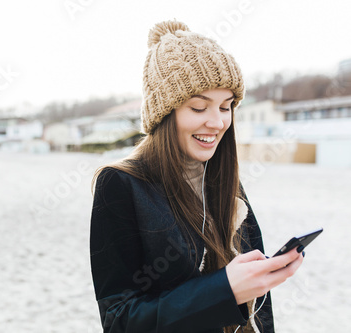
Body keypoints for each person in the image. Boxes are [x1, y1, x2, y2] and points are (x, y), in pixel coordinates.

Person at [89, 20, 304, 333]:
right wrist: (224, 290)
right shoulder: (121, 184)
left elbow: (260, 310)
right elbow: (119, 319)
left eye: (226, 107)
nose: (217, 122)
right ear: (165, 113)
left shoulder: (225, 181)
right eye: (199, 107)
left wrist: (263, 277)